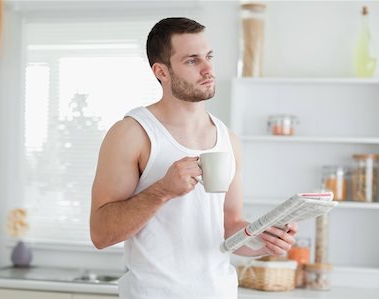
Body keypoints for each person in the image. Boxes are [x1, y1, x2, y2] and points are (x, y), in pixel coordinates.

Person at [90, 17, 297, 299]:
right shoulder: (132, 133)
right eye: (192, 61)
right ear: (161, 71)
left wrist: (263, 241)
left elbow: (229, 226)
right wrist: (162, 190)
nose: (208, 68)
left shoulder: (228, 140)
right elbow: (101, 234)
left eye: (209, 56)